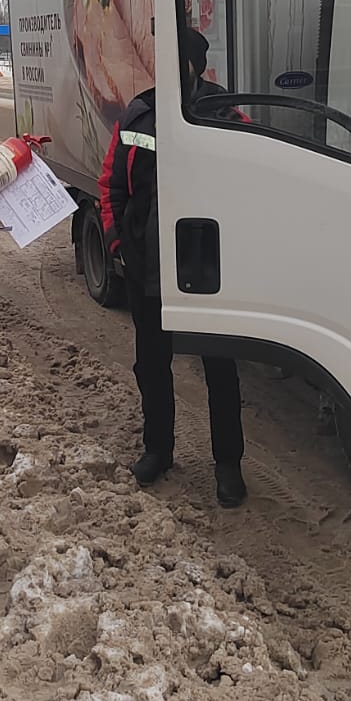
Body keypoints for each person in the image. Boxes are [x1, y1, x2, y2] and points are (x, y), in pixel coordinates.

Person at [99, 25, 247, 507]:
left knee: (220, 373)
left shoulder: (225, 115)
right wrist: (119, 241)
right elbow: (111, 185)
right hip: (150, 269)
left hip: (209, 274)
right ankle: (158, 451)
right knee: (151, 366)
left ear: (195, 67)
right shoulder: (138, 114)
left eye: (179, 62)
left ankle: (228, 465)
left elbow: (251, 184)